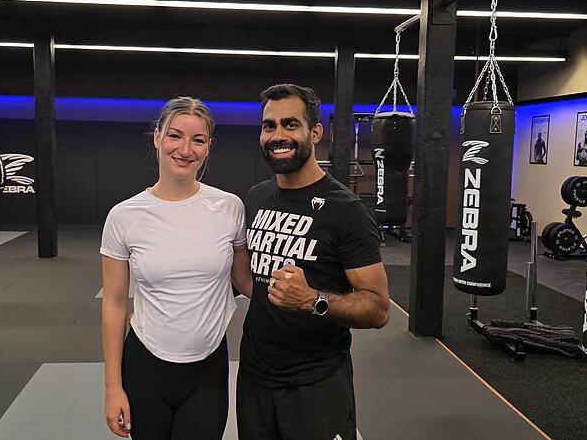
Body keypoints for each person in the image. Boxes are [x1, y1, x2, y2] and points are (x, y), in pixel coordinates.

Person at [236, 84, 390, 440]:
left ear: (315, 132)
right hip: (255, 379)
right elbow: (251, 283)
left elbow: (380, 309)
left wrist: (313, 300)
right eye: (268, 125)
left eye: (290, 124)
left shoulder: (346, 210)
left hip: (316, 382)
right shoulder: (257, 197)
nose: (277, 135)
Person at [100, 97, 252, 439]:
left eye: (198, 140)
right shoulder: (124, 216)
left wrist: (310, 299)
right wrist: (113, 387)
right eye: (175, 136)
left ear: (208, 147)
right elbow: (114, 303)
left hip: (208, 371)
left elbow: (243, 280)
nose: (185, 149)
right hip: (145, 369)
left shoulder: (229, 208)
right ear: (157, 138)